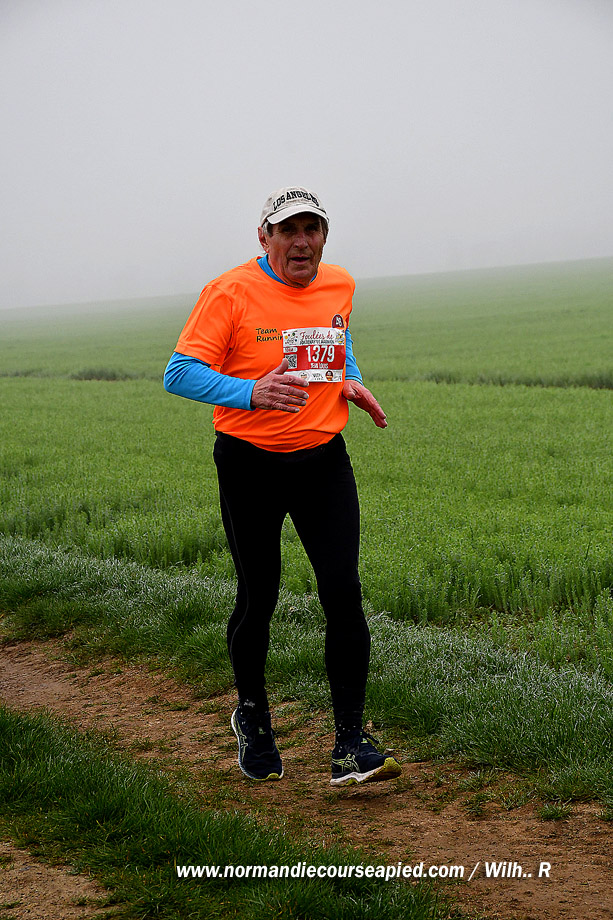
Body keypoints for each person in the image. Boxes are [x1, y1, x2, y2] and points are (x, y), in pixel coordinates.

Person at [164, 186, 401, 786]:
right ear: (264, 237)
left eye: (311, 229)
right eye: (288, 230)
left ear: (324, 237)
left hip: (323, 461)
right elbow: (179, 372)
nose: (301, 242)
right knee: (260, 596)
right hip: (250, 464)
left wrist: (350, 379)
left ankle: (350, 742)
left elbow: (337, 341)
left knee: (343, 593)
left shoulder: (339, 284)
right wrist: (251, 392)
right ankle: (253, 716)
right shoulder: (229, 291)